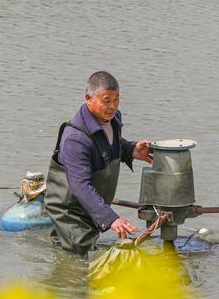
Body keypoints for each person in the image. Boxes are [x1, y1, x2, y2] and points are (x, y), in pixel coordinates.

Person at [44, 71, 153, 256]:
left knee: (66, 249)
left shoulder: (112, 119)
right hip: (71, 211)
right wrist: (111, 219)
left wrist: (131, 150)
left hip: (91, 205)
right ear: (88, 98)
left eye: (116, 99)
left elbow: (110, 144)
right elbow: (80, 185)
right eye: (106, 100)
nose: (112, 106)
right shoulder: (75, 139)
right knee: (80, 257)